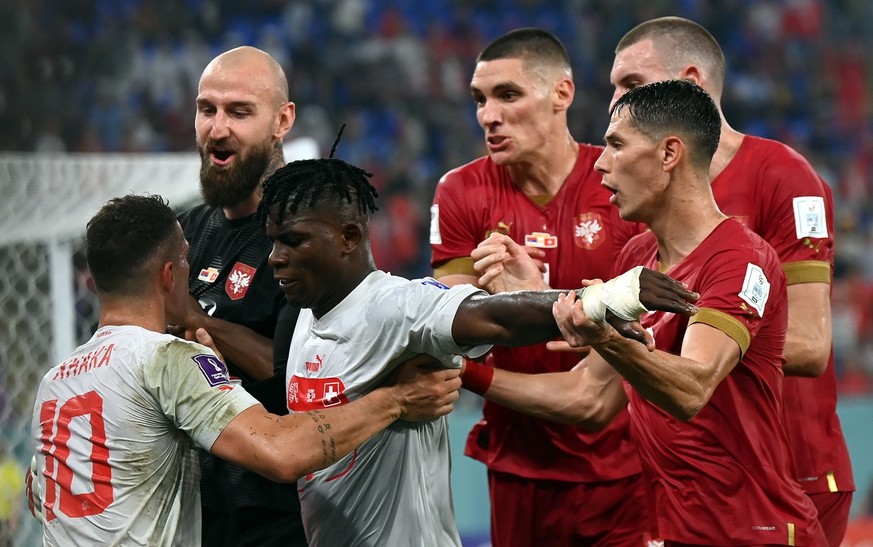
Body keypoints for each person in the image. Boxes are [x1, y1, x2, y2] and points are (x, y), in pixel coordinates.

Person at [257, 149, 698, 547]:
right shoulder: (305, 313)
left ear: (350, 236)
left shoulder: (396, 306)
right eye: (273, 241)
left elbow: (493, 315)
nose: (276, 257)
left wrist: (601, 300)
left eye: (294, 241)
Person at [467, 79, 827, 546]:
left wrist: (604, 335)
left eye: (617, 144)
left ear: (669, 153)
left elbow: (692, 388)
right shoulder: (635, 259)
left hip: (754, 532)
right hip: (670, 531)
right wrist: (465, 370)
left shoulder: (741, 259)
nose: (600, 163)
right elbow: (588, 395)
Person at [29, 194, 463, 546]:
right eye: (185, 260)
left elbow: (39, 490)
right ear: (168, 275)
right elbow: (281, 451)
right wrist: (395, 399)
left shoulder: (55, 384)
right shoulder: (168, 359)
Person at [608, 17, 853, 545]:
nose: (614, 101)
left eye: (630, 85)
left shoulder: (784, 177)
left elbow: (811, 345)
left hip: (793, 469)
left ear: (692, 84)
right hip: (702, 484)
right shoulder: (648, 211)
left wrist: (690, 338)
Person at [428, 28, 648, 545]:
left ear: (562, 95)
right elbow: (455, 335)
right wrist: (505, 306)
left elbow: (636, 341)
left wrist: (531, 299)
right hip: (517, 466)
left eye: (508, 95)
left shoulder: (621, 184)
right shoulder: (461, 191)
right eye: (480, 99)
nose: (488, 115)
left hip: (626, 470)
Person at [168, 45, 303, 545]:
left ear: (282, 120)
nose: (217, 129)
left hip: (282, 513)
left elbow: (297, 370)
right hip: (196, 507)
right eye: (207, 109)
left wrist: (188, 318)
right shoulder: (184, 233)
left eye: (239, 112)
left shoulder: (308, 231)